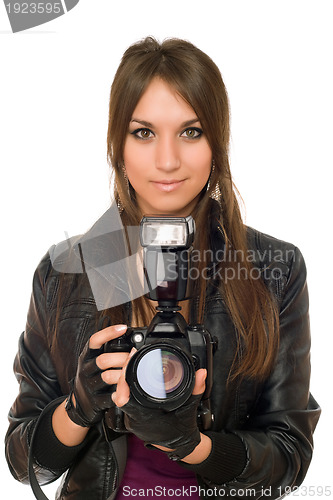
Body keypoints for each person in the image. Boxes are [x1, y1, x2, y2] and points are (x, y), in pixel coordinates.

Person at [5, 37, 320, 500]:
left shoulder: (273, 270)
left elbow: (289, 456)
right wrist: (78, 406)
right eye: (144, 132)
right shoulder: (67, 272)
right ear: (117, 144)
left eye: (191, 132)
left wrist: (191, 445)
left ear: (218, 141)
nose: (168, 160)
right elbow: (22, 461)